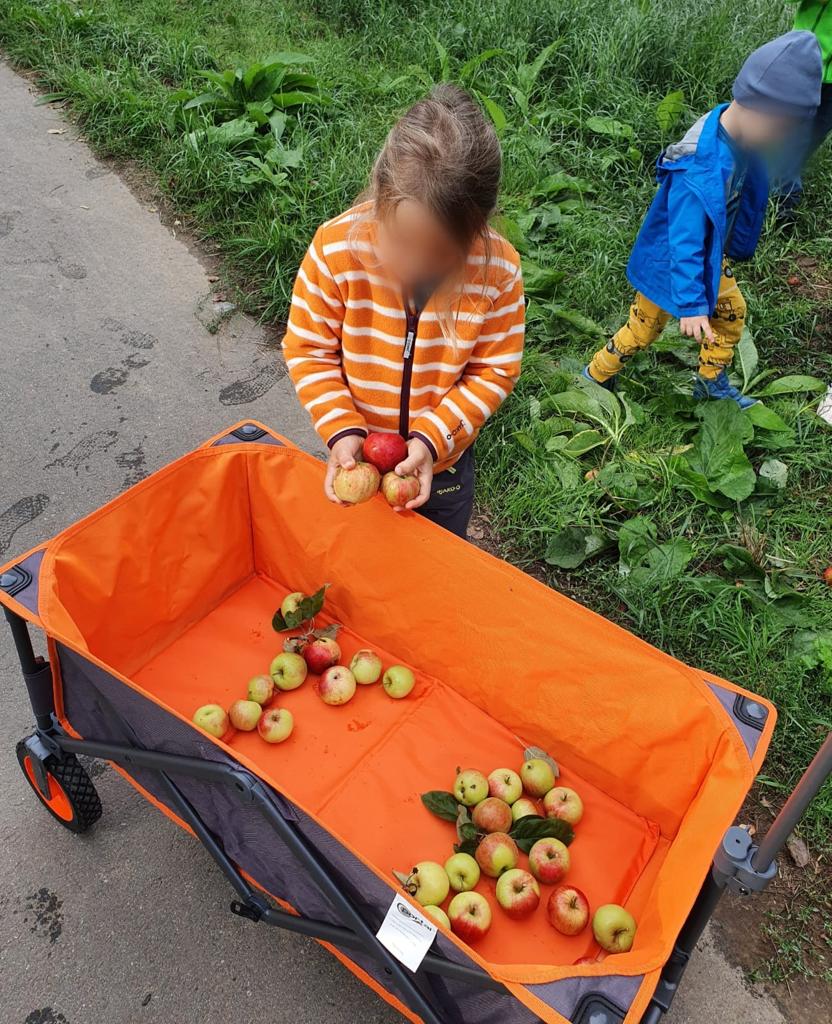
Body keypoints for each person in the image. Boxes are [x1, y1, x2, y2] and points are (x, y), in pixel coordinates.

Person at [282, 85, 524, 538]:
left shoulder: (497, 272)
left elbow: (495, 370)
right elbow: (308, 348)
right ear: (380, 197)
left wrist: (434, 441)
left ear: (479, 229)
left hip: (441, 466)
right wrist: (340, 428)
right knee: (357, 550)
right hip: (357, 453)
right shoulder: (336, 252)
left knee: (436, 554)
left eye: (441, 253)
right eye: (404, 242)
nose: (416, 265)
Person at [583, 31, 823, 408]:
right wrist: (693, 305)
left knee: (731, 312)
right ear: (759, 108)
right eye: (780, 129)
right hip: (671, 262)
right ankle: (595, 376)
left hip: (710, 255)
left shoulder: (738, 129)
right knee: (644, 329)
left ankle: (710, 382)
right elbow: (684, 240)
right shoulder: (700, 168)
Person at [773, 2, 832, 217]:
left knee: (811, 138)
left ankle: (774, 185)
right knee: (795, 137)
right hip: (805, 63)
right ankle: (782, 207)